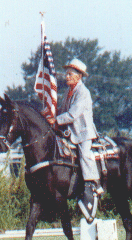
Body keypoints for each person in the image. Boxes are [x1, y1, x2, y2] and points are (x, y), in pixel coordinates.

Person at [46, 58, 104, 223]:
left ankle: (93, 183)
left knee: (85, 154)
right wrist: (52, 115)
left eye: (70, 74)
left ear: (79, 77)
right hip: (70, 132)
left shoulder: (83, 93)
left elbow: (72, 114)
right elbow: (64, 110)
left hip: (83, 133)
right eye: (66, 73)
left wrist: (56, 121)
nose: (66, 76)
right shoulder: (69, 92)